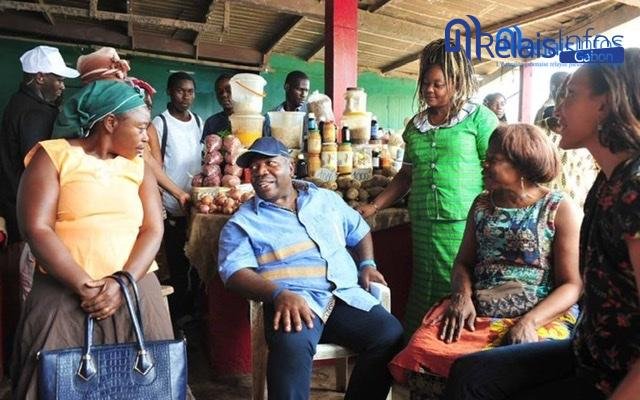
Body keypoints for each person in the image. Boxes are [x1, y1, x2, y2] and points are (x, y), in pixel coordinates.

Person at [444, 47, 640, 400]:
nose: (557, 107)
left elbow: (572, 284)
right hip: (589, 353)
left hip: (618, 374)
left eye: (570, 95)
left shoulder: (634, 190)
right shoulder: (607, 183)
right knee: (469, 374)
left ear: (606, 104)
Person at [389, 124, 582, 397]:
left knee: (515, 361)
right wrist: (461, 297)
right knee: (423, 347)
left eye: (494, 160)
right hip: (478, 311)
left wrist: (529, 322)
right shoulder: (482, 204)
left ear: (522, 164)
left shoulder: (559, 208)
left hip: (538, 314)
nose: (485, 165)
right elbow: (463, 263)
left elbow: (572, 284)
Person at [10, 80, 175, 399]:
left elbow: (153, 229)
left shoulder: (139, 167)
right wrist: (85, 286)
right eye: (141, 128)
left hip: (136, 288)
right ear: (111, 122)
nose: (146, 137)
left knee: (148, 383)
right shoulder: (53, 155)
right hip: (64, 290)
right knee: (53, 383)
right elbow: (37, 228)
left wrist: (122, 283)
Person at [218, 137, 404, 400]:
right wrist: (278, 294)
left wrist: (367, 264)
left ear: (291, 167)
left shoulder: (325, 199)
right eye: (255, 167)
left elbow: (359, 229)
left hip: (343, 296)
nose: (260, 171)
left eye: (270, 163)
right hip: (293, 303)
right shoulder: (244, 222)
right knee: (290, 347)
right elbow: (234, 273)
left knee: (390, 335)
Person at [358, 38, 499, 335]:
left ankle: (455, 350)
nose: (429, 90)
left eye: (438, 84)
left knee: (458, 286)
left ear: (457, 83)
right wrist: (374, 206)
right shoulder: (415, 127)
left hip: (463, 224)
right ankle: (420, 349)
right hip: (423, 225)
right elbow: (406, 176)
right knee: (424, 286)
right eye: (425, 83)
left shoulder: (479, 119)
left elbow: (496, 169)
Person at [73, 47, 191, 210]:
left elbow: (149, 160)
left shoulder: (136, 156)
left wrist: (179, 193)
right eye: (140, 128)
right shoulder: (66, 154)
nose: (145, 137)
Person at [0, 45, 78, 250]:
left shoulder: (19, 102)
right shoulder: (35, 113)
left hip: (15, 203)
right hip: (30, 209)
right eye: (59, 80)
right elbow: (37, 166)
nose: (62, 87)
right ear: (40, 77)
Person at [151, 71, 203, 326]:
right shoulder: (160, 123)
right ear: (170, 92)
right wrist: (170, 195)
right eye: (180, 91)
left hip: (197, 205)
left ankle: (194, 313)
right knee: (176, 264)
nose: (186, 96)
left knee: (196, 262)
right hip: (172, 207)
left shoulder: (199, 122)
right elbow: (155, 166)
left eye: (190, 91)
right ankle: (178, 318)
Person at [537, 74, 598, 208]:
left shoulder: (592, 135)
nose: (559, 108)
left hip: (580, 207)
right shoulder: (536, 132)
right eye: (560, 95)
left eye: (571, 96)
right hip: (545, 208)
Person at [263, 70, 310, 137]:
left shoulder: (311, 114)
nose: (304, 95)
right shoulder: (270, 118)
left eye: (306, 90)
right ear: (287, 87)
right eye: (299, 89)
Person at [203, 73, 233, 138]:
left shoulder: (250, 119)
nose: (224, 95)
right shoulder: (211, 122)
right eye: (220, 92)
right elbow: (205, 144)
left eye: (228, 90)